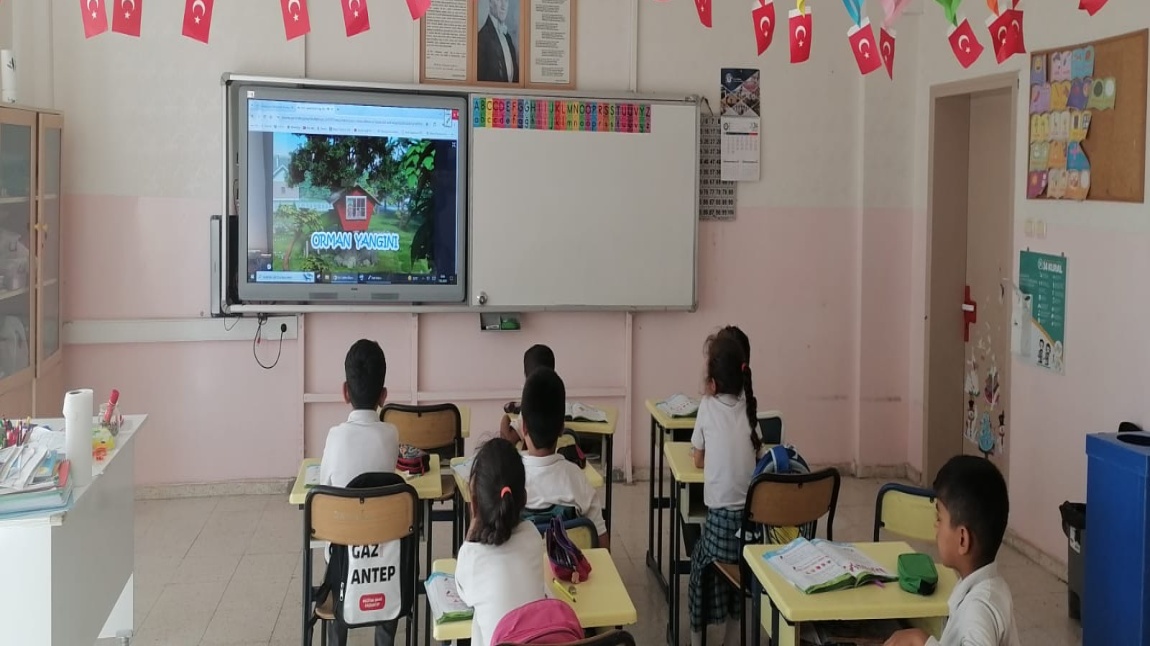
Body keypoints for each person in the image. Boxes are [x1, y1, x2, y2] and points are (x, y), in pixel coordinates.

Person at [884, 456, 1020, 646]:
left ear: (962, 539)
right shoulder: (993, 587)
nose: (935, 525)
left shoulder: (979, 608)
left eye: (939, 518)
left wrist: (922, 641)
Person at [318, 339, 400, 646]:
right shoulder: (391, 434)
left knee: (338, 553)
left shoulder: (335, 437)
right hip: (385, 557)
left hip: (343, 556)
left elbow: (325, 487)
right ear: (384, 396)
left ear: (344, 391)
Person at [688, 333, 761, 646]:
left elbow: (698, 461)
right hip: (752, 537)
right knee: (737, 581)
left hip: (720, 528)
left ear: (712, 383)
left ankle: (695, 638)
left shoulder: (706, 407)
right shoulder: (751, 412)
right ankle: (733, 637)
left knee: (698, 568)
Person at [456, 438, 546, 646]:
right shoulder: (533, 538)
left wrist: (473, 522)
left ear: (475, 500)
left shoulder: (472, 557)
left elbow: (465, 596)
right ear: (523, 498)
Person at [518, 367, 609, 549]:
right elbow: (603, 548)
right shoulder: (577, 479)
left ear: (524, 427)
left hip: (523, 576)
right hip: (570, 576)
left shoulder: (509, 475)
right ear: (562, 428)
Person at [499, 344, 556, 445]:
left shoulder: (529, 407)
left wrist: (505, 418)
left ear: (526, 376)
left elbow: (508, 439)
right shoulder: (557, 399)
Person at [477, 0, 519, 83]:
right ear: (490, 3)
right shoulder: (482, 38)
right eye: (500, 0)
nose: (504, 6)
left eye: (506, 1)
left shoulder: (508, 38)